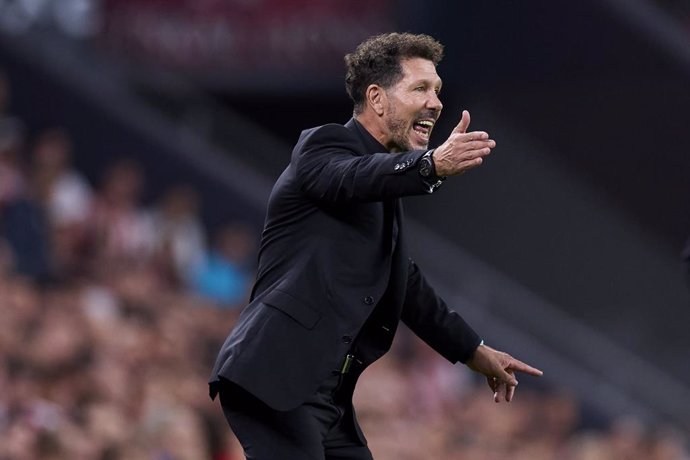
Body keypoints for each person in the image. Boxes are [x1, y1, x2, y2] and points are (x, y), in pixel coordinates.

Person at [209, 32, 543, 459]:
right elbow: (352, 177)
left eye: (438, 90)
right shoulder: (324, 145)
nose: (436, 102)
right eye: (420, 87)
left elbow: (407, 284)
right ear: (377, 99)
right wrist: (430, 165)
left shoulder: (384, 190)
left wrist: (473, 351)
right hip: (274, 376)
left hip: (326, 401)